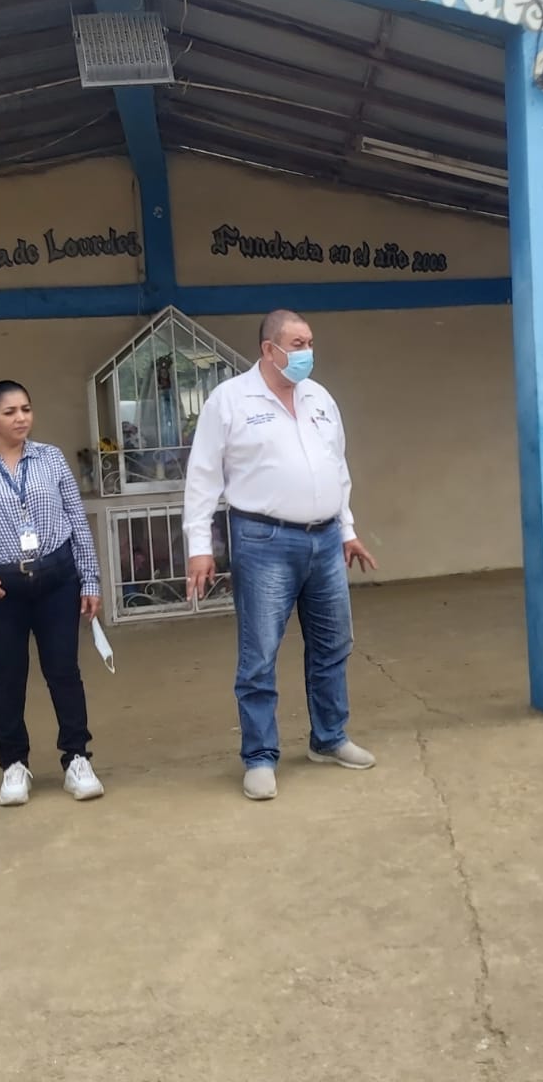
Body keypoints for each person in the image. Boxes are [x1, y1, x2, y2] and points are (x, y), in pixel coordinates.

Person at [183, 310, 379, 801]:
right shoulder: (230, 400)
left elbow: (338, 468)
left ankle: (329, 738)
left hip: (325, 539)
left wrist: (347, 530)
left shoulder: (320, 398)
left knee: (333, 644)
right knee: (260, 653)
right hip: (263, 539)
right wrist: (199, 547)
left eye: (310, 342)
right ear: (269, 350)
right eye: (297, 344)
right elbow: (203, 476)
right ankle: (259, 756)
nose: (307, 352)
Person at [0, 380, 106, 807]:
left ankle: (77, 758)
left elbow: (77, 521)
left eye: (26, 409)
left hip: (57, 580)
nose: (21, 418)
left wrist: (89, 580)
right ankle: (13, 764)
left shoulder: (50, 458)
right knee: (8, 675)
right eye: (9, 412)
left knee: (63, 670)